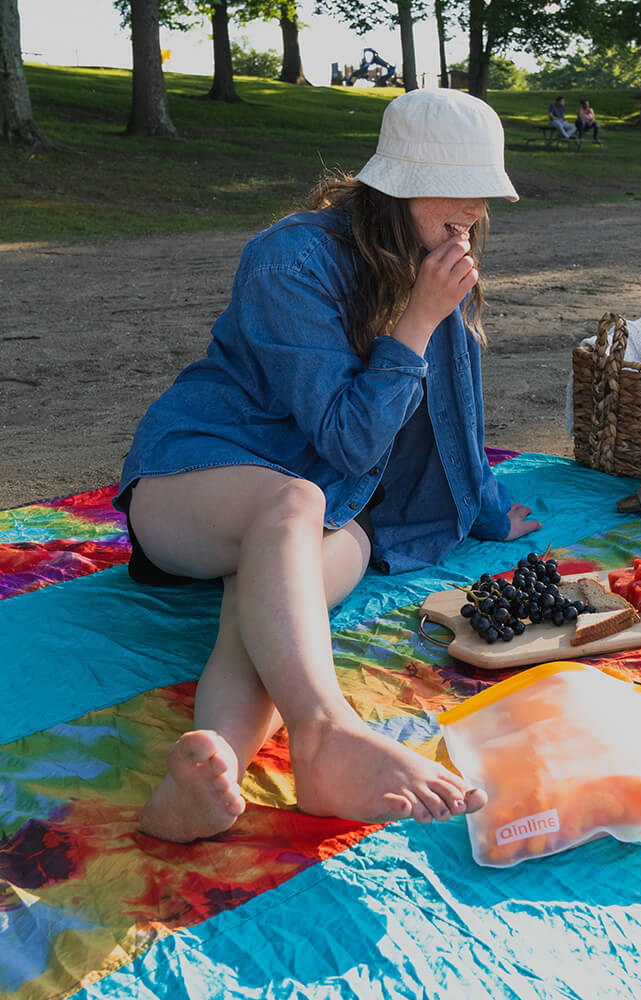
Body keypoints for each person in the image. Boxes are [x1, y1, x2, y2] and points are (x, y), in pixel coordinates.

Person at [114, 88, 542, 844]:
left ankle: (212, 774)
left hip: (335, 502)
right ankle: (325, 733)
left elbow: (451, 403)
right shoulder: (291, 257)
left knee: (274, 615)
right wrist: (416, 319)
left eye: (483, 198)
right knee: (291, 504)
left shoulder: (434, 251)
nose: (473, 216)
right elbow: (348, 438)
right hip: (198, 480)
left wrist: (480, 502)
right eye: (458, 196)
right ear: (398, 185)